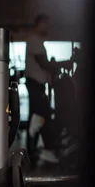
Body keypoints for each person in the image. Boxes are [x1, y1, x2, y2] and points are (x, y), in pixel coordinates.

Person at [25, 14, 73, 163]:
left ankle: (48, 148)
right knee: (37, 118)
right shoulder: (34, 41)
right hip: (34, 84)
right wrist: (65, 63)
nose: (48, 27)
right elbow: (44, 64)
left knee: (42, 116)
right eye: (47, 24)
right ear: (39, 24)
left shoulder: (38, 41)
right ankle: (33, 153)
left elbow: (46, 66)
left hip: (38, 86)